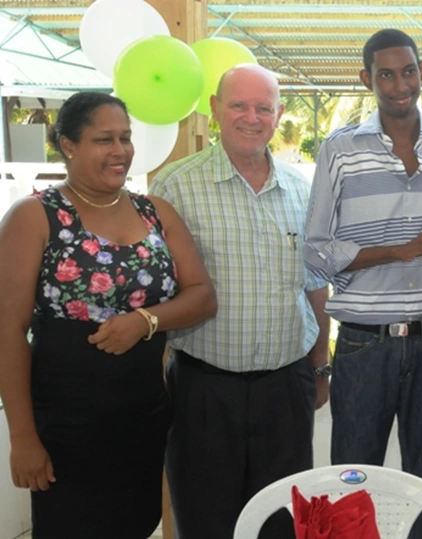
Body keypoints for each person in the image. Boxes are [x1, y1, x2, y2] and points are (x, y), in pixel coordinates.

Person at [0, 92, 216, 539]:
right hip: (65, 427)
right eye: (104, 139)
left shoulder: (154, 212)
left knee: (136, 524)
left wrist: (146, 321)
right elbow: (7, 329)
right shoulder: (35, 216)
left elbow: (202, 296)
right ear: (68, 145)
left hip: (142, 418)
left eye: (125, 138)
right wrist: (22, 437)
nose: (120, 150)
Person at [150, 64, 331, 539]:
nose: (252, 118)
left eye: (263, 108)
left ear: (279, 114)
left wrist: (321, 364)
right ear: (214, 108)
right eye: (239, 105)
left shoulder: (301, 190)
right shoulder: (174, 186)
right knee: (206, 522)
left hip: (286, 388)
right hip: (204, 391)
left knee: (282, 523)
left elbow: (315, 285)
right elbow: (156, 290)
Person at [303, 29, 422, 539]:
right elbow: (315, 250)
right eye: (386, 75)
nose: (400, 85)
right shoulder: (340, 150)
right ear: (367, 79)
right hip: (362, 346)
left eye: (409, 72)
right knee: (354, 485)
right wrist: (397, 250)